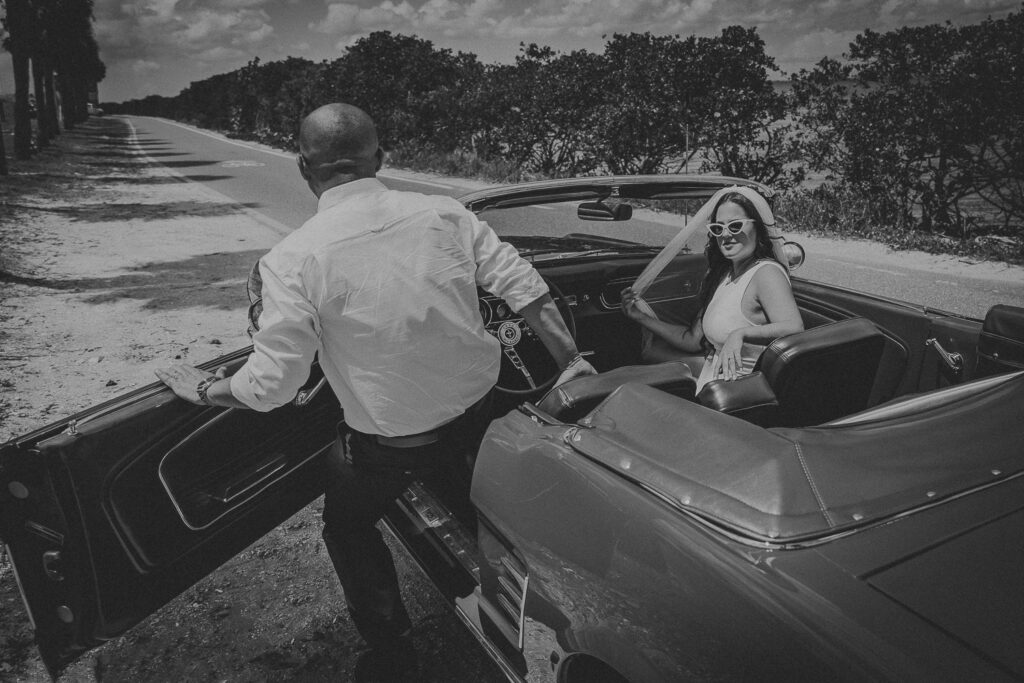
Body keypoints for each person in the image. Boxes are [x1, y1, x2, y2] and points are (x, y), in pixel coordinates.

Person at [155, 103, 595, 660]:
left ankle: (392, 646)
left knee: (346, 525)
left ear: (301, 167)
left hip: (392, 444)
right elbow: (523, 286)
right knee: (474, 490)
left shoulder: (291, 259)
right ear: (381, 157)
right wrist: (572, 359)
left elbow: (272, 385)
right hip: (481, 409)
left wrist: (201, 389)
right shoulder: (445, 213)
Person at [622, 189, 803, 392]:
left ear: (757, 227)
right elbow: (691, 340)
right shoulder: (724, 275)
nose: (725, 235)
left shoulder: (766, 273)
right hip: (712, 383)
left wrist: (741, 334)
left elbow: (794, 328)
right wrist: (640, 317)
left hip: (742, 393)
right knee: (632, 374)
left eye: (735, 226)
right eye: (718, 228)